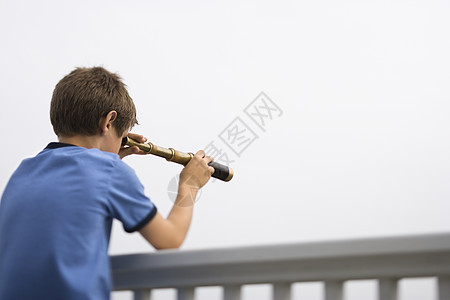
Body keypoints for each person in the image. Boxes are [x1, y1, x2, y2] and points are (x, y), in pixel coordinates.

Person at [0, 67, 214, 299]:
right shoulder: (110, 171)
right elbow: (169, 240)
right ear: (109, 121)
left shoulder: (24, 171)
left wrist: (110, 155)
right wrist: (190, 185)